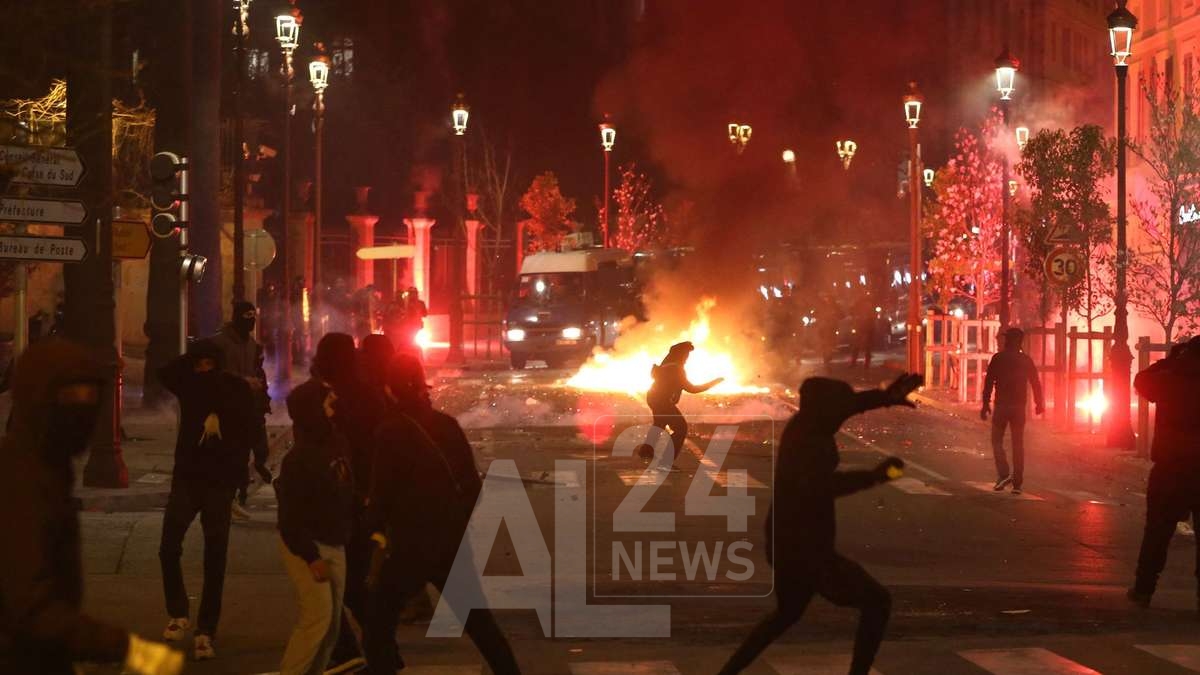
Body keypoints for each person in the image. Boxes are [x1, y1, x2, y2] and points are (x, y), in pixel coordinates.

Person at [718, 373, 923, 675]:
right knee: (877, 602)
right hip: (803, 547)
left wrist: (885, 396)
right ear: (824, 409)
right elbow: (822, 485)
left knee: (787, 615)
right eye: (838, 406)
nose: (844, 413)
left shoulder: (813, 421)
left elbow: (853, 404)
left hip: (789, 540)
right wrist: (876, 476)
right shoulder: (807, 441)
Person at [0, 340, 184, 675]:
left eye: (89, 398)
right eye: (69, 397)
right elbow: (29, 603)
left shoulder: (49, 466)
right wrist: (127, 650)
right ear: (40, 399)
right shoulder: (20, 478)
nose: (80, 410)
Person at [362, 356, 519, 674]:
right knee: (479, 623)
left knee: (378, 625)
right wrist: (456, 522)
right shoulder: (446, 425)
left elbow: (381, 496)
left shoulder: (389, 432)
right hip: (450, 541)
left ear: (390, 390)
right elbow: (472, 487)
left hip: (409, 545)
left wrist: (369, 531)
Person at [156, 340, 257, 660]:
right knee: (169, 546)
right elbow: (166, 373)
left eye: (208, 364)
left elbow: (248, 430)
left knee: (215, 557)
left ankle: (205, 629)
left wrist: (241, 475)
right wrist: (193, 357)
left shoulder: (234, 389)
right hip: (188, 477)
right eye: (199, 364)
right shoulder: (190, 386)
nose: (202, 370)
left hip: (218, 482)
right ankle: (179, 613)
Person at [276, 364, 357, 675]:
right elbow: (290, 520)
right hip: (308, 545)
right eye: (327, 400)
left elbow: (347, 484)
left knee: (332, 624)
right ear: (313, 411)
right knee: (318, 618)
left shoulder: (337, 440)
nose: (334, 403)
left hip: (335, 541)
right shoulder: (298, 460)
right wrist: (311, 557)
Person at [1127, 336, 1200, 613]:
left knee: (1157, 532)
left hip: (1170, 468)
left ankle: (1144, 589)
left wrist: (1172, 360)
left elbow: (1142, 380)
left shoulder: (1169, 380)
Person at [210, 300, 272, 521]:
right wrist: (243, 382)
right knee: (234, 456)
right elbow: (216, 376)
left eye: (253, 317)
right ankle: (232, 497)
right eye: (246, 317)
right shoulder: (220, 343)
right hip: (228, 408)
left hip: (249, 407)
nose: (251, 322)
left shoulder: (252, 345)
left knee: (253, 447)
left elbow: (258, 372)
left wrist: (261, 397)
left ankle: (243, 490)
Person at [980, 327, 1045, 495]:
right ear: (1020, 342)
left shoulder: (998, 358)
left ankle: (1003, 474)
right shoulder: (1026, 360)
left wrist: (985, 404)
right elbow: (1035, 383)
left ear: (1007, 340)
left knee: (996, 441)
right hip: (1019, 407)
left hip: (1002, 406)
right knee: (1018, 444)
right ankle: (1017, 484)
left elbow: (988, 383)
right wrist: (1039, 403)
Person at [638, 341, 723, 462]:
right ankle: (666, 462)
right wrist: (714, 382)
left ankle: (646, 451)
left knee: (659, 423)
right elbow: (692, 389)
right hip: (662, 401)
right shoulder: (676, 369)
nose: (687, 358)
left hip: (653, 398)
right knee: (681, 428)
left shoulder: (666, 365)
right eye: (685, 355)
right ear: (680, 355)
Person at [847, 294, 876, 369]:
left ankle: (864, 363)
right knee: (858, 345)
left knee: (866, 346)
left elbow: (873, 316)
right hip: (861, 328)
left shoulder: (868, 306)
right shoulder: (858, 306)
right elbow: (852, 312)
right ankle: (856, 362)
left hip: (867, 328)